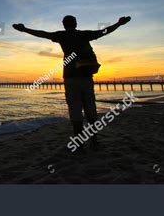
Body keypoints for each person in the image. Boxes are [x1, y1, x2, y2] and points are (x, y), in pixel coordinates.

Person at [12, 15, 131, 150]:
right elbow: (104, 31)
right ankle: (94, 141)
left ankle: (79, 144)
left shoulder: (61, 36)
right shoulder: (84, 34)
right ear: (75, 23)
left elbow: (43, 34)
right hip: (86, 77)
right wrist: (119, 23)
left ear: (64, 24)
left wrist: (24, 29)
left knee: (75, 111)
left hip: (70, 78)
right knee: (90, 109)